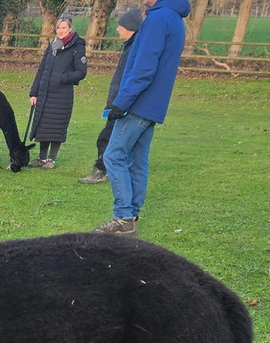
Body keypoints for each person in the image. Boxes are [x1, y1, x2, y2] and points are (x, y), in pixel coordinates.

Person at [93, 0, 189, 236]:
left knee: (113, 155)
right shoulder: (173, 18)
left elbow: (144, 68)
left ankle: (123, 217)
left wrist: (121, 102)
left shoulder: (158, 19)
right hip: (153, 106)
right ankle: (132, 215)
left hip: (139, 103)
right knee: (137, 160)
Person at [79, 9, 143, 184]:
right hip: (118, 101)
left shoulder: (135, 49)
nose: (117, 30)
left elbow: (129, 80)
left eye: (120, 26)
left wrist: (118, 104)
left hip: (122, 104)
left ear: (129, 27)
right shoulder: (130, 47)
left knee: (106, 138)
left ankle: (100, 171)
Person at [28, 14, 87, 168]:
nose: (60, 31)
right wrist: (33, 92)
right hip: (45, 93)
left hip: (62, 95)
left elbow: (81, 72)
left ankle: (51, 159)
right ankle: (41, 158)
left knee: (57, 126)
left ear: (70, 29)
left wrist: (61, 78)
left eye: (64, 28)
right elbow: (42, 69)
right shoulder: (53, 45)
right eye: (58, 28)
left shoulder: (77, 46)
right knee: (43, 125)